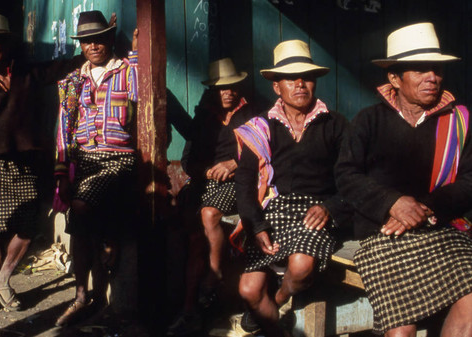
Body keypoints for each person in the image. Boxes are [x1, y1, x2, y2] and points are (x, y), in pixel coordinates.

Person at [335, 22, 472, 336]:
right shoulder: (369, 120)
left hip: (440, 230)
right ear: (394, 78)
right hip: (383, 236)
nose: (432, 78)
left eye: (436, 70)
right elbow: (346, 174)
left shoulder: (459, 123)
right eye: (420, 70)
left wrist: (425, 207)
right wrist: (391, 202)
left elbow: (469, 181)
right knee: (401, 332)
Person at [234, 40, 350, 337]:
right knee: (248, 290)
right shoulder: (260, 128)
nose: (300, 84)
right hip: (276, 209)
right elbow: (246, 183)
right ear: (276, 86)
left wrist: (331, 207)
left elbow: (353, 178)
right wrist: (255, 225)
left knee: (300, 268)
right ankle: (278, 331)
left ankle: (280, 301)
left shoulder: (335, 125)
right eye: (290, 78)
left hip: (318, 211)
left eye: (307, 77)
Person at [0, 13, 83, 313]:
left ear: (5, 45)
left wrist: (87, 50)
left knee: (29, 223)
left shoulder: (26, 74)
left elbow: (59, 68)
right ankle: (0, 286)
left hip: (26, 163)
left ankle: (2, 281)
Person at [54, 10, 139, 327]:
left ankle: (106, 259)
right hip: (83, 160)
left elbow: (143, 99)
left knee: (82, 204)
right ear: (81, 45)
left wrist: (137, 56)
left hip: (118, 159)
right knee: (78, 226)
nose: (93, 45)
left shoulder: (127, 71)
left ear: (108, 39)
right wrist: (61, 174)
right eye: (86, 41)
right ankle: (82, 296)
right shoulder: (72, 82)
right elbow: (63, 130)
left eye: (98, 39)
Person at [167, 58, 254, 335]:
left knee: (208, 214)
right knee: (193, 239)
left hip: (242, 181)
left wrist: (235, 164)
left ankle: (214, 276)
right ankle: (190, 308)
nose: (228, 92)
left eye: (232, 86)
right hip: (207, 183)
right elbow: (188, 161)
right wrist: (208, 171)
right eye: (222, 88)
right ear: (213, 91)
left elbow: (263, 152)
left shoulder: (251, 115)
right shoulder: (204, 118)